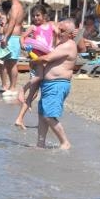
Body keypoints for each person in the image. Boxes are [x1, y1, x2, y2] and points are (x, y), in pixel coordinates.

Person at [32, 18, 77, 150]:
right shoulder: (61, 43)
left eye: (63, 31)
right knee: (42, 115)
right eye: (59, 29)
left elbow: (47, 58)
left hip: (57, 84)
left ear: (70, 34)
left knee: (49, 115)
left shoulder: (69, 45)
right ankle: (40, 144)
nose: (59, 32)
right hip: (49, 84)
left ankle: (65, 142)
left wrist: (33, 61)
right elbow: (52, 46)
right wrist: (56, 33)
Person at [15, 4, 57, 129]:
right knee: (39, 78)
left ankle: (20, 119)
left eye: (38, 15)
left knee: (34, 94)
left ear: (44, 15)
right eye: (34, 16)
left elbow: (59, 32)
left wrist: (61, 32)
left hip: (47, 58)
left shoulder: (51, 25)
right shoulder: (33, 27)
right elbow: (22, 37)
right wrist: (23, 45)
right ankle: (23, 88)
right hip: (36, 58)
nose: (35, 18)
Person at [0, 0, 25, 97]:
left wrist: (5, 37)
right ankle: (10, 87)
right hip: (11, 37)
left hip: (12, 38)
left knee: (12, 63)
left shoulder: (15, 6)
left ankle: (13, 87)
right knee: (7, 62)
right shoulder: (15, 6)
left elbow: (13, 22)